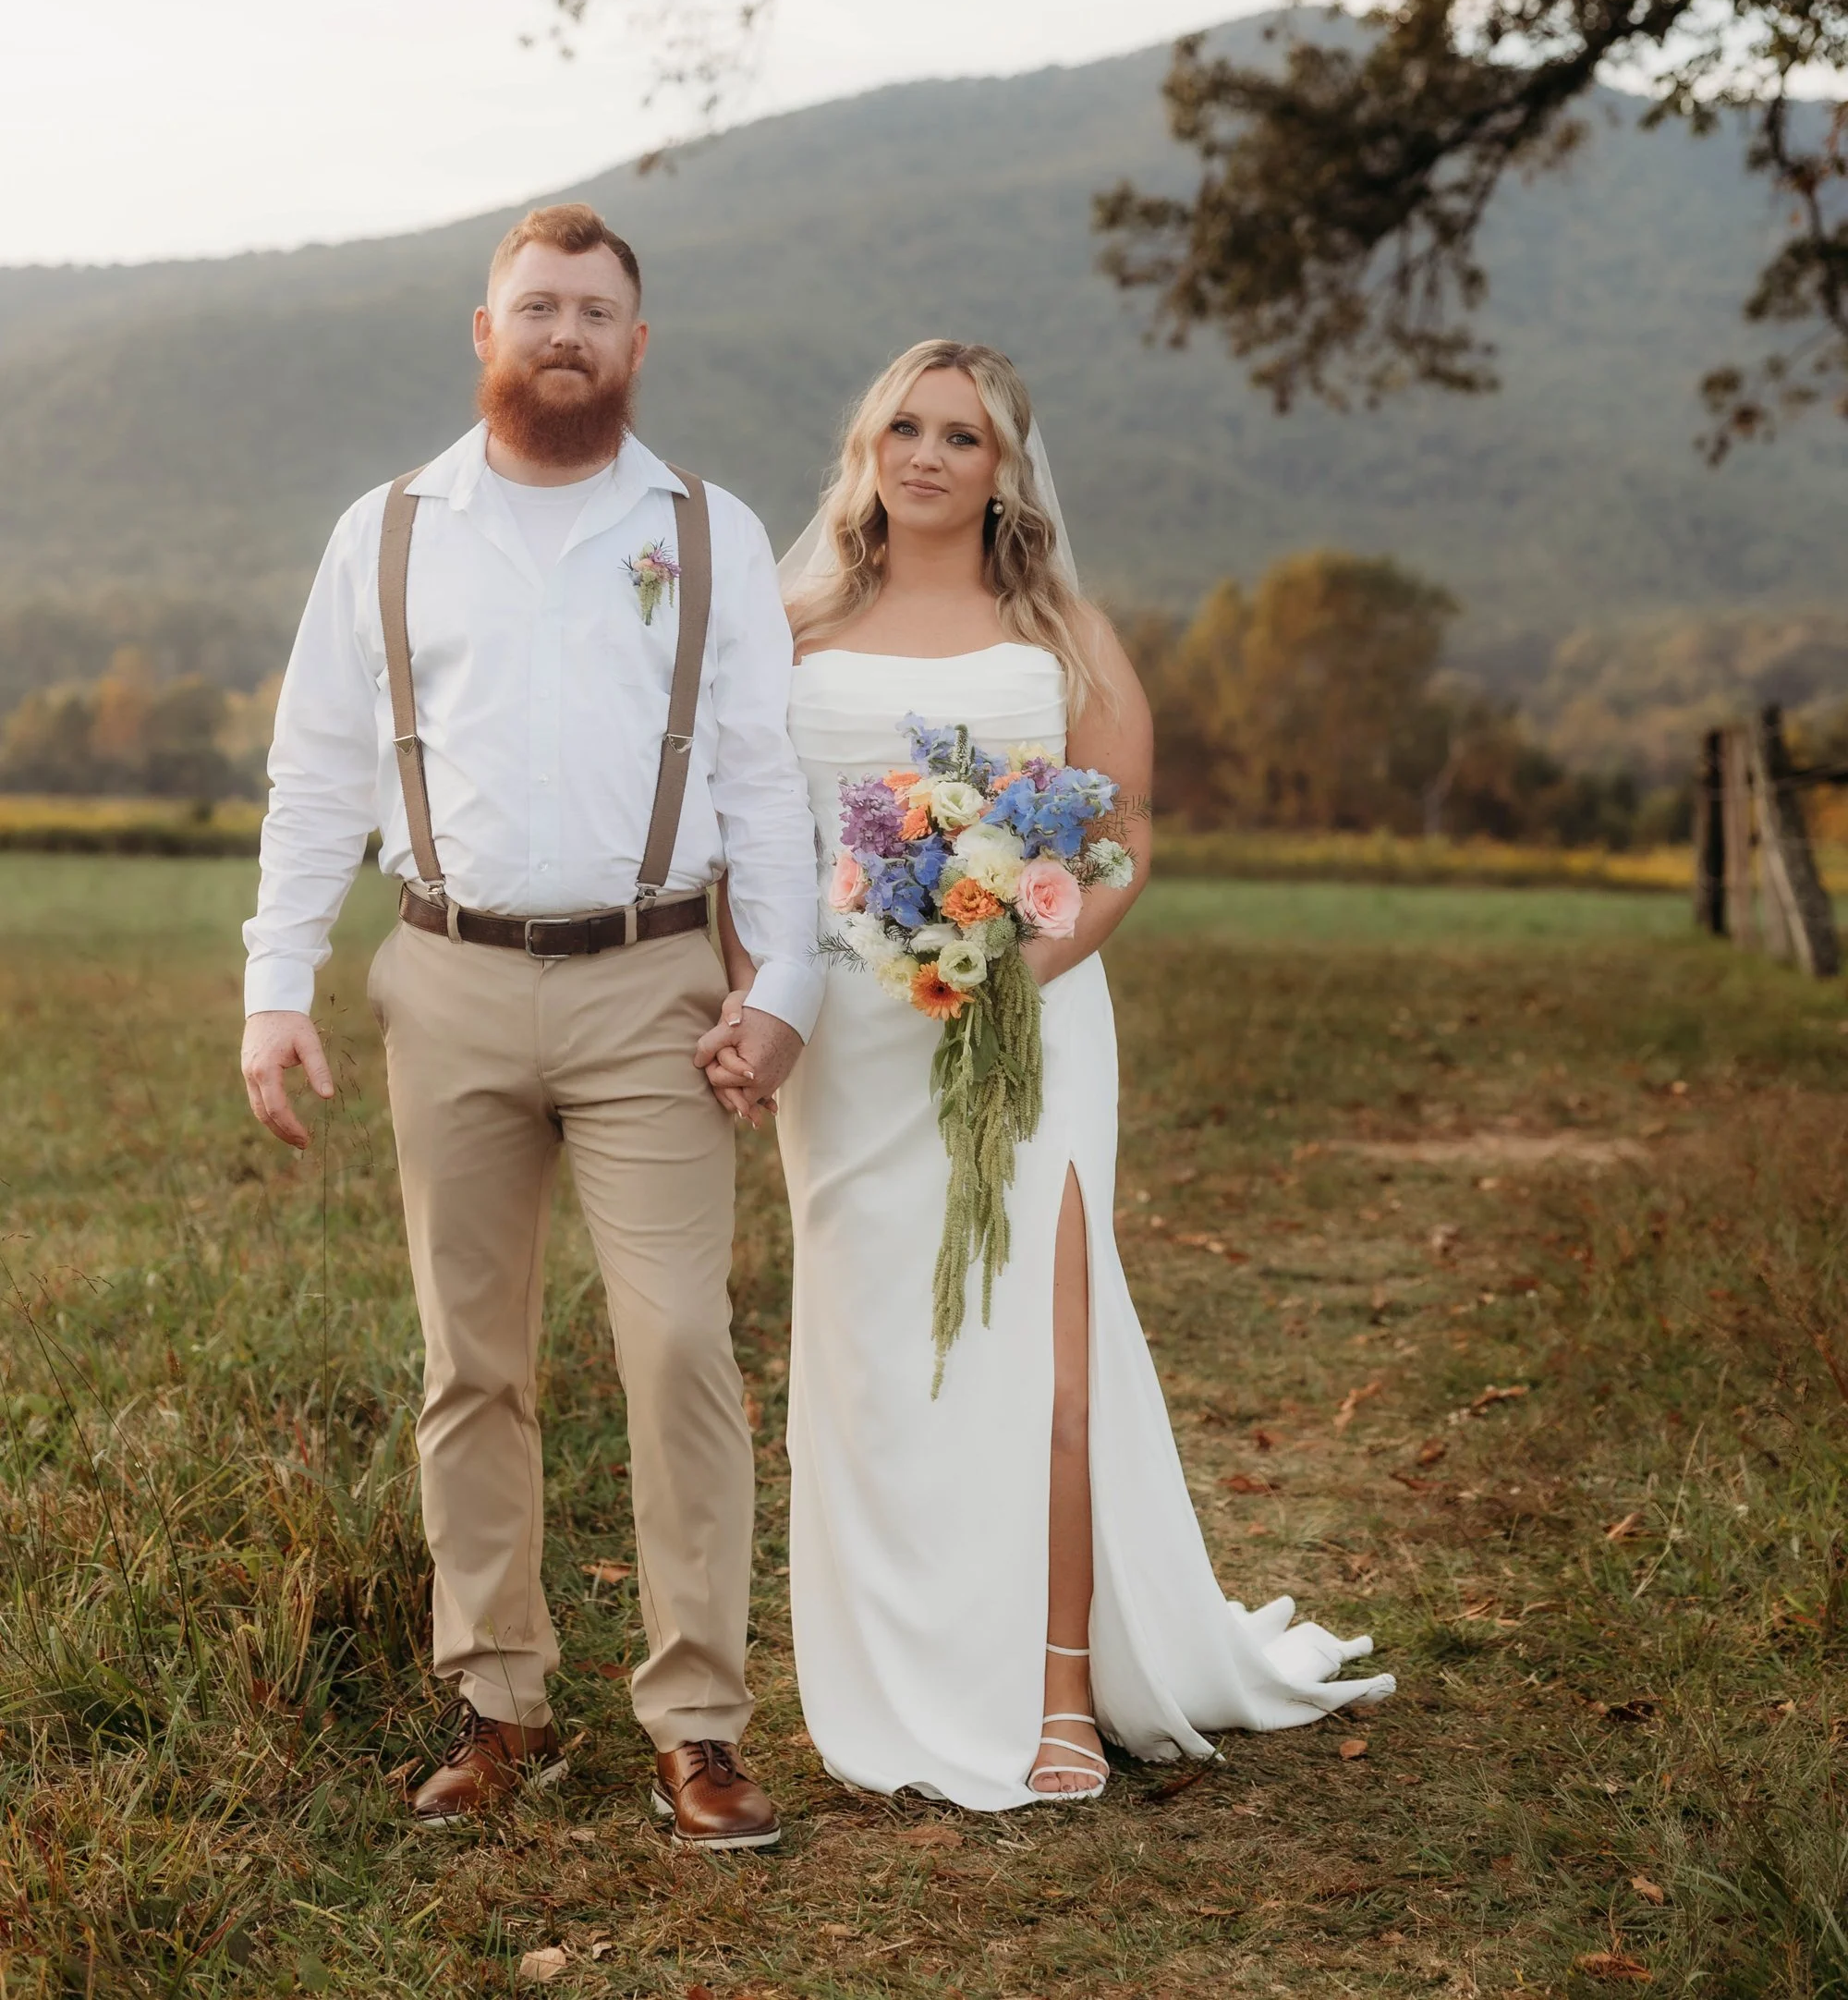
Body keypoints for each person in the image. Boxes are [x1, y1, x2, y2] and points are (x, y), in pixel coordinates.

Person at [700, 340, 1392, 1810]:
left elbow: (1124, 837)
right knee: (881, 1361)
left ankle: (1064, 1684)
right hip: (853, 1042)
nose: (931, 455)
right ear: (867, 446)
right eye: (907, 426)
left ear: (1008, 465)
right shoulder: (785, 620)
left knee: (1050, 1356)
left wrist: (1011, 978)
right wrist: (761, 995)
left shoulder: (1061, 629)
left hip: (1031, 1019)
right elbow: (744, 833)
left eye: (965, 434)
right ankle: (911, 1671)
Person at [240, 202, 819, 1845]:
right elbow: (319, 778)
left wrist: (781, 991)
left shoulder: (710, 530)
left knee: (682, 1346)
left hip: (657, 987)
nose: (566, 333)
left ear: (639, 347)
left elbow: (766, 785)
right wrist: (276, 988)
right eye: (538, 306)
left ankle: (698, 1723)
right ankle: (496, 1699)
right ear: (482, 333)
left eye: (597, 312)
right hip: (450, 978)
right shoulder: (388, 530)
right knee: (469, 1363)